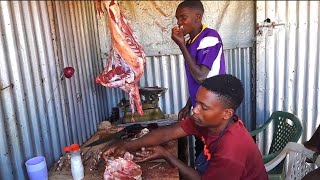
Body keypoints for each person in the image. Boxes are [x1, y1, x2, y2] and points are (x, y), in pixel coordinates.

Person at [103, 74, 268, 180]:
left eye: (204, 107)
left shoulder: (230, 151)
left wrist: (167, 155)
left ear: (226, 113)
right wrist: (126, 145)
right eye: (196, 103)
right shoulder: (206, 121)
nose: (195, 110)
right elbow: (168, 133)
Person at [171, 0, 226, 158]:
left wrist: (181, 46)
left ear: (198, 17)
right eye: (177, 19)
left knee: (211, 155)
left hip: (214, 109)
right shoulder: (190, 42)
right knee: (201, 151)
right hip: (201, 108)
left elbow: (201, 76)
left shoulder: (210, 38)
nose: (179, 23)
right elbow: (196, 82)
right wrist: (188, 105)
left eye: (183, 18)